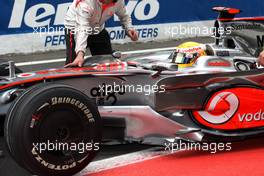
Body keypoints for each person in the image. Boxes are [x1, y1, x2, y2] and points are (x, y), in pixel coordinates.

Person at [64, 0, 138, 67]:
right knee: (74, 64)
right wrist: (80, 54)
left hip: (97, 28)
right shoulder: (85, 3)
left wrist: (129, 29)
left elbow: (124, 16)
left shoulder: (118, 1)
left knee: (108, 63)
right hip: (75, 28)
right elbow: (82, 29)